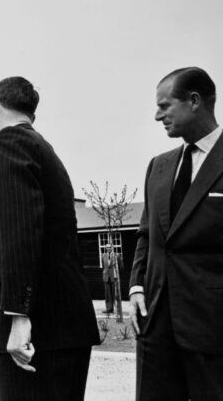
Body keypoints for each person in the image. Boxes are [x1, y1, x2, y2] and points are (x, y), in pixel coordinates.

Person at [0, 76, 100, 400]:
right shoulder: (41, 148)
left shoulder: (8, 143)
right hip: (62, 326)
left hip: (37, 330)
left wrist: (18, 315)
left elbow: (21, 231)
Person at [129, 67, 223, 400]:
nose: (157, 115)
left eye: (165, 105)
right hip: (155, 326)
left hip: (212, 329)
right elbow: (145, 234)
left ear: (194, 101)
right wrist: (137, 286)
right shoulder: (158, 166)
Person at [101, 244, 122, 314]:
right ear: (105, 248)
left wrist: (117, 274)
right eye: (107, 247)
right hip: (106, 277)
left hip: (114, 277)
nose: (108, 248)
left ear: (112, 248)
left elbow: (121, 266)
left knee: (115, 294)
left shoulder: (116, 255)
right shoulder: (103, 256)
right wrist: (104, 274)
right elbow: (104, 267)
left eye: (109, 247)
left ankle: (117, 309)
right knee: (107, 294)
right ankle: (108, 309)